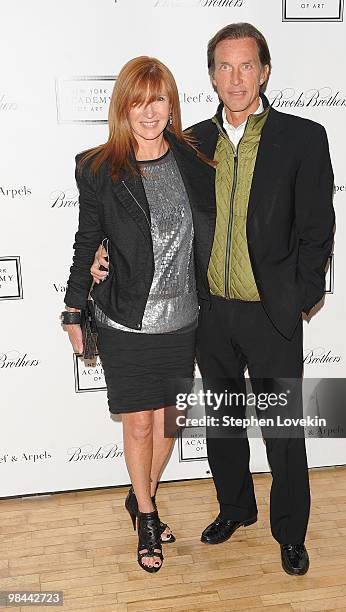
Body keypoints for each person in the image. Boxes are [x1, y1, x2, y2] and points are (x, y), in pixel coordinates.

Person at [92, 22, 335, 576]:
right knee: (223, 424)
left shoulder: (303, 137)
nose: (236, 77)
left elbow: (319, 227)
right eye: (224, 67)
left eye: (246, 65)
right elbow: (140, 202)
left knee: (281, 429)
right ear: (211, 76)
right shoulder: (190, 142)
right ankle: (235, 508)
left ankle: (290, 533)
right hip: (206, 311)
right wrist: (103, 252)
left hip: (271, 311)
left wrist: (298, 297)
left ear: (264, 71)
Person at [61, 56, 215, 573]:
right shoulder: (99, 166)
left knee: (171, 422)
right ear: (123, 107)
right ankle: (147, 516)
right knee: (141, 425)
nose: (149, 111)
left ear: (171, 103)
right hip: (126, 316)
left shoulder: (195, 159)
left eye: (159, 99)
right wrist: (73, 308)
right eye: (138, 100)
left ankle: (139, 493)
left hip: (184, 317)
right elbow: (87, 240)